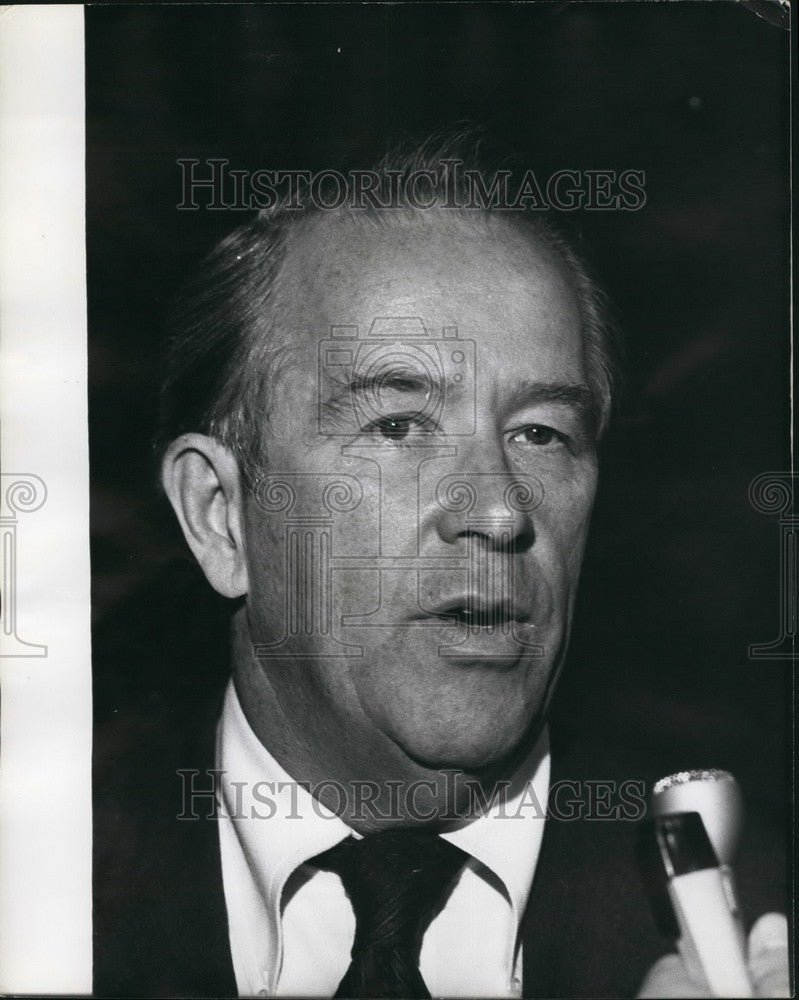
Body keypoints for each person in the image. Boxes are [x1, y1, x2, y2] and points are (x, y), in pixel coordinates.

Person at [93, 142, 789, 998]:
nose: (498, 512)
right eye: (396, 428)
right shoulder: (42, 879)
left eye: (541, 433)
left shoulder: (759, 914)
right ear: (220, 516)